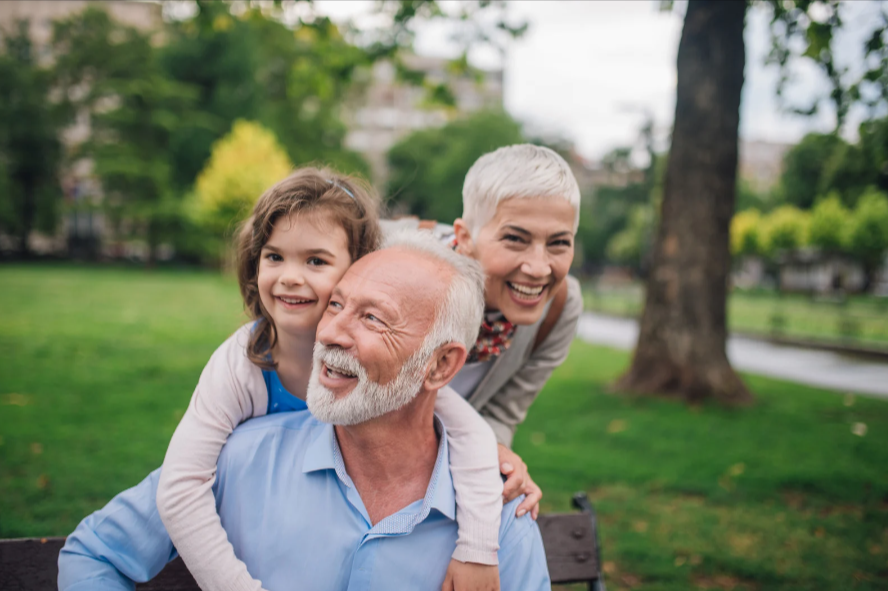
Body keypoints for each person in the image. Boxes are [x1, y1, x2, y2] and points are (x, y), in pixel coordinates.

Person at [58, 232, 551, 591]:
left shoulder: (500, 518)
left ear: (441, 366)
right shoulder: (240, 460)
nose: (332, 332)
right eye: (334, 305)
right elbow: (93, 556)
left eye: (372, 318)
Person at [155, 168, 504, 591]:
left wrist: (477, 549)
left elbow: (470, 433)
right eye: (273, 256)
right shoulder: (243, 361)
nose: (290, 276)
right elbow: (180, 487)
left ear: (360, 267)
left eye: (315, 260)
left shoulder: (392, 371)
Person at [387, 144, 584, 517]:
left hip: (434, 476)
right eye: (515, 238)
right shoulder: (394, 263)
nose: (540, 268)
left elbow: (501, 413)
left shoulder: (560, 309)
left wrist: (496, 457)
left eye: (558, 243)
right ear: (464, 238)